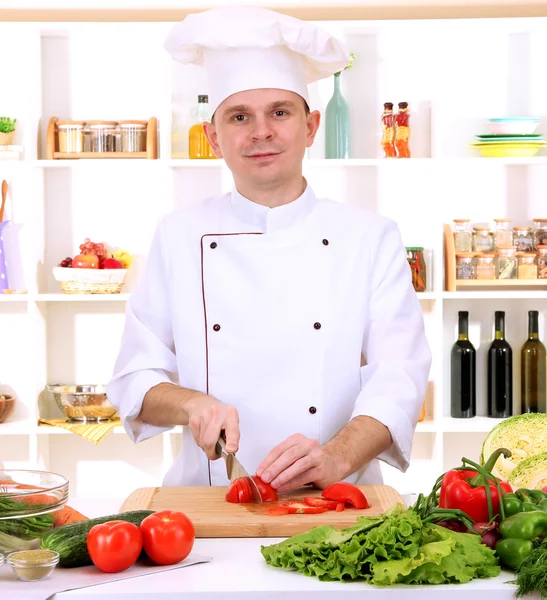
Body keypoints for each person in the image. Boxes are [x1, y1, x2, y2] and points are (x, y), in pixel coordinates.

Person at [108, 6, 431, 493]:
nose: (261, 131)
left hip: (337, 500)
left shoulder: (370, 236)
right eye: (240, 117)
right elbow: (136, 376)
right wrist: (191, 403)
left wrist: (337, 457)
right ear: (214, 137)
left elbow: (400, 375)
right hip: (209, 496)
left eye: (280, 112)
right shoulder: (178, 234)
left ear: (311, 126)